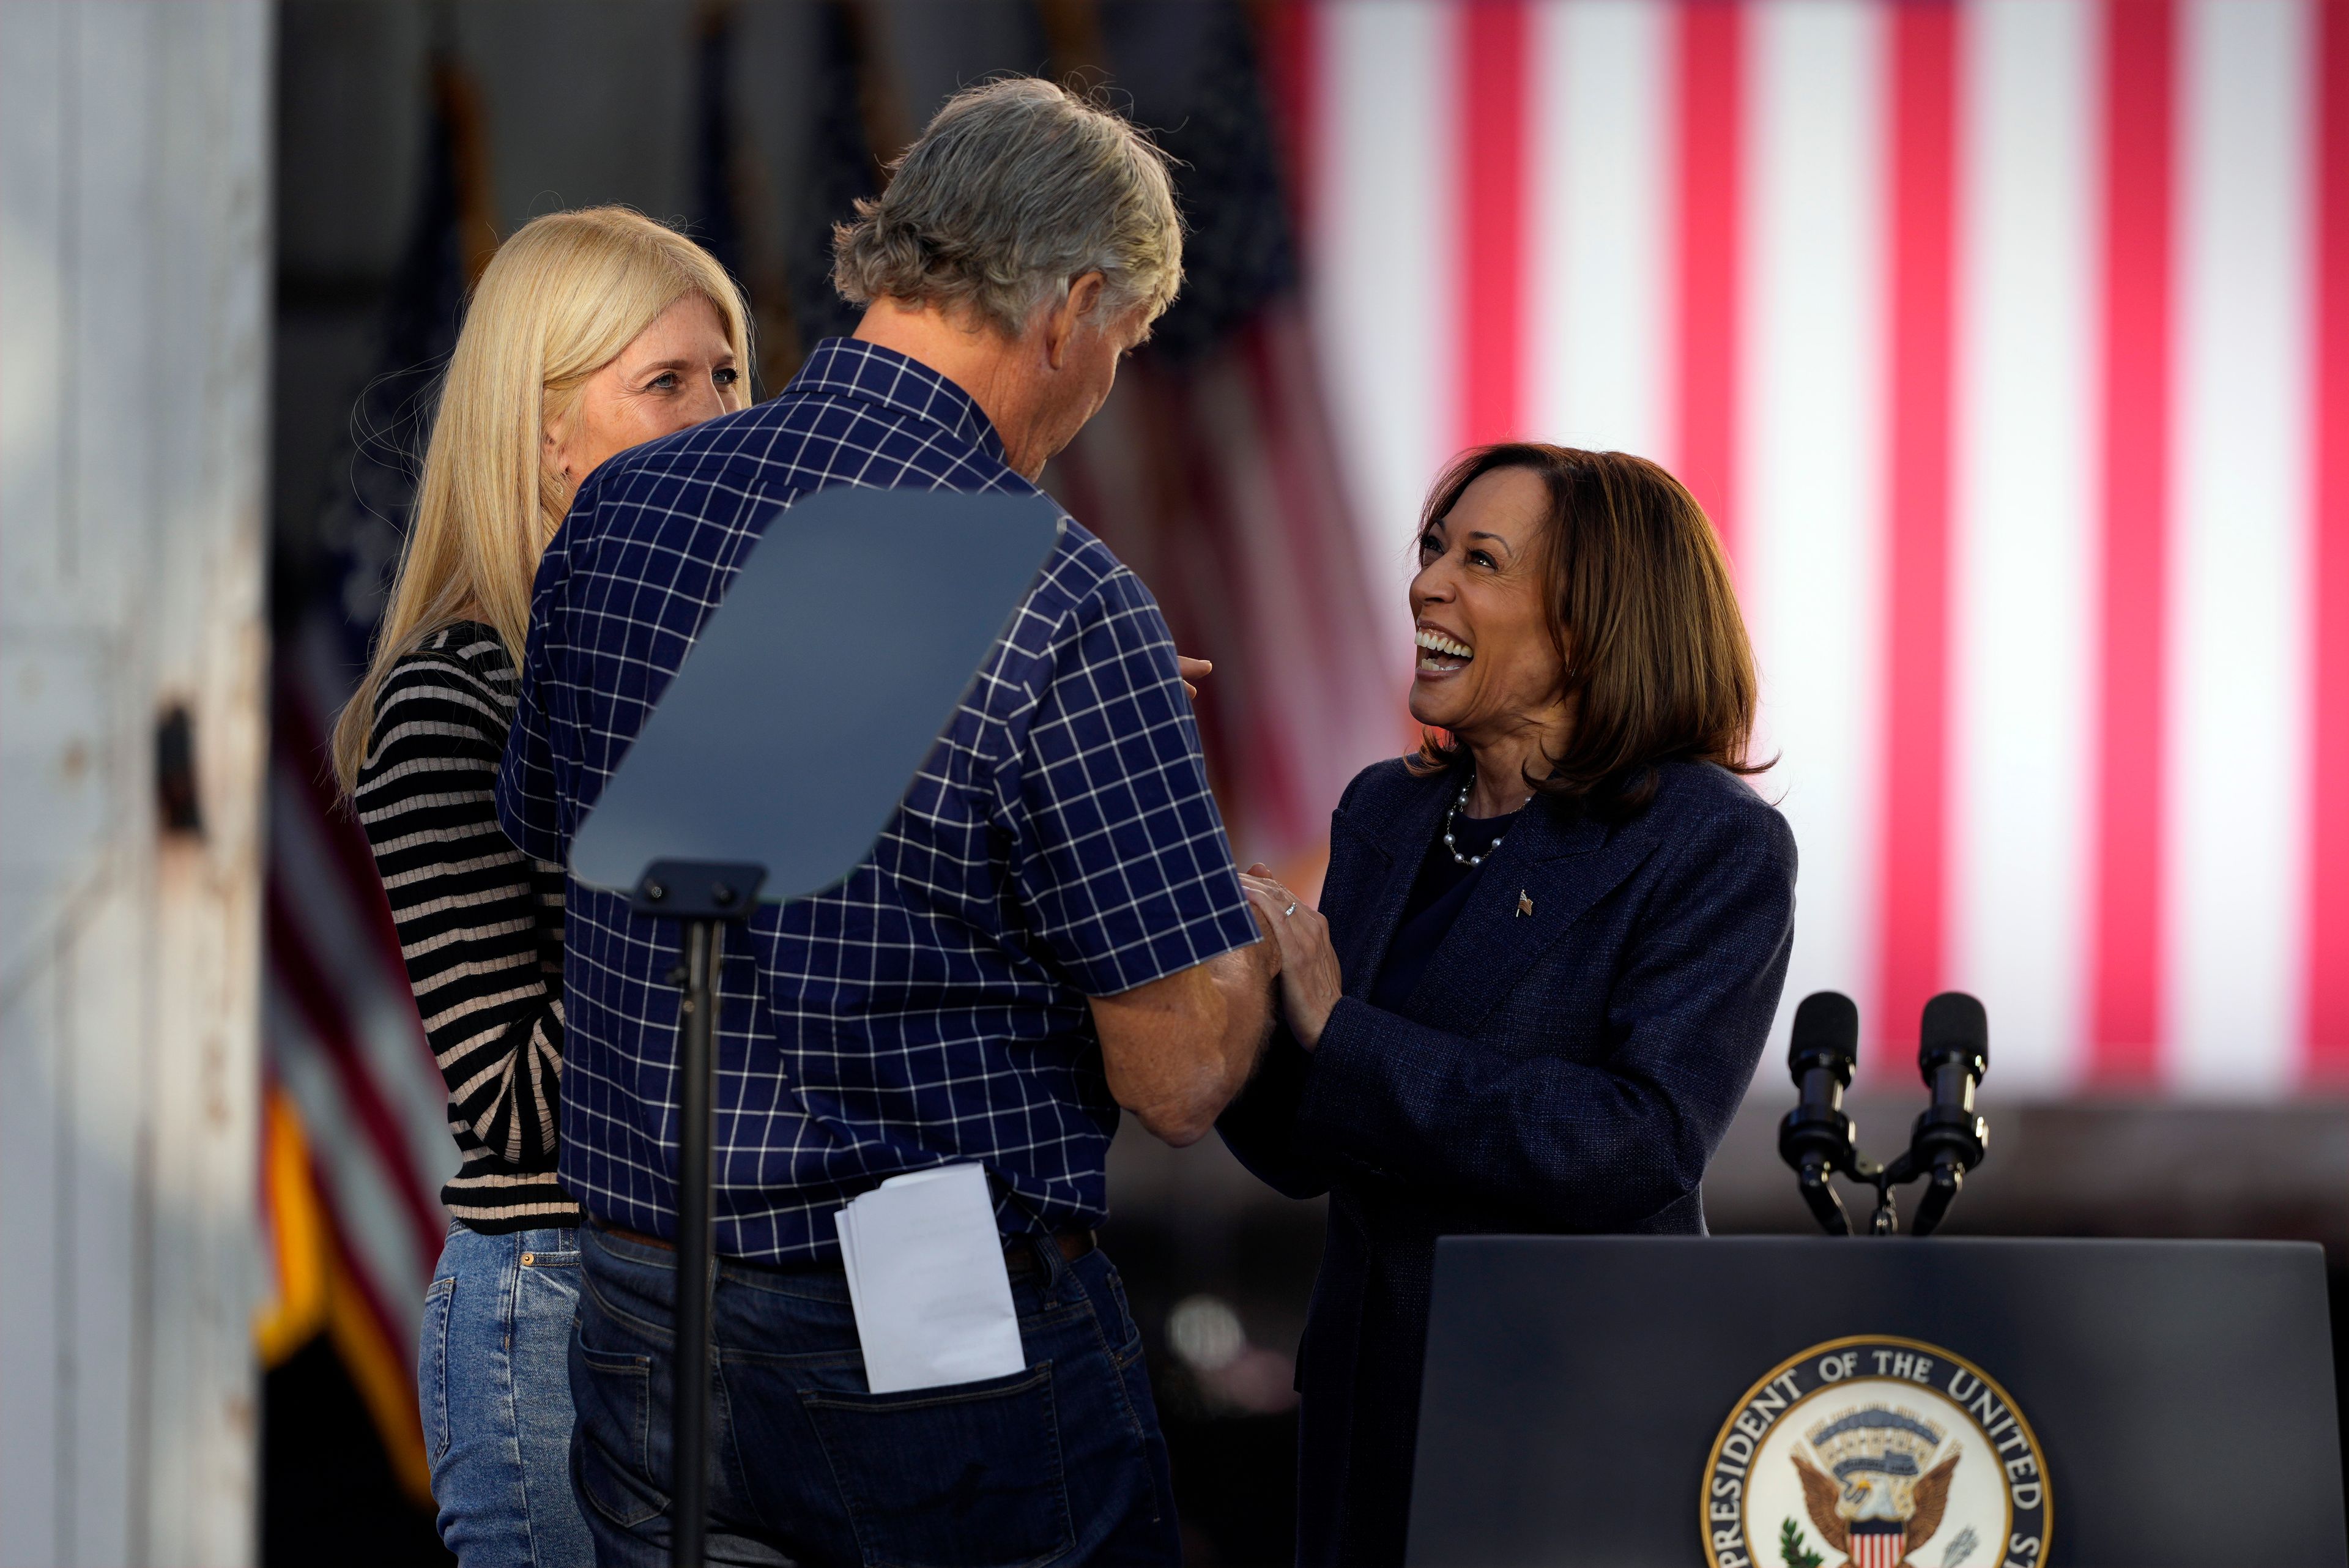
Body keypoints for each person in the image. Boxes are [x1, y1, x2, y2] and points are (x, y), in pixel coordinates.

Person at [495, 78, 1280, 1566]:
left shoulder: (618, 512)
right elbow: (1177, 1075)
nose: (1107, 381)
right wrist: (1247, 934)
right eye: (1121, 342)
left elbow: (556, 830)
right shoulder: (1067, 597)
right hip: (924, 1331)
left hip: (644, 1299)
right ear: (1072, 306)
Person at [1220, 444, 1798, 1567]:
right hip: (1364, 1414)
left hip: (1566, 1426)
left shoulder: (1708, 843)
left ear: (1593, 624)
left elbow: (1634, 1144)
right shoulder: (1388, 810)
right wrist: (1216, 1007)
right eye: (1435, 549)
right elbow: (1310, 1141)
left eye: (1480, 561)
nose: (1427, 584)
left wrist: (1343, 1031)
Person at [333, 206, 751, 1566]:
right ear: (542, 433)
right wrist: (714, 822)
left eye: (730, 373)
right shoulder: (450, 702)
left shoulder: (751, 686)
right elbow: (511, 1102)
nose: (718, 413)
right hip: (559, 1308)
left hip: (757, 1308)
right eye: (664, 382)